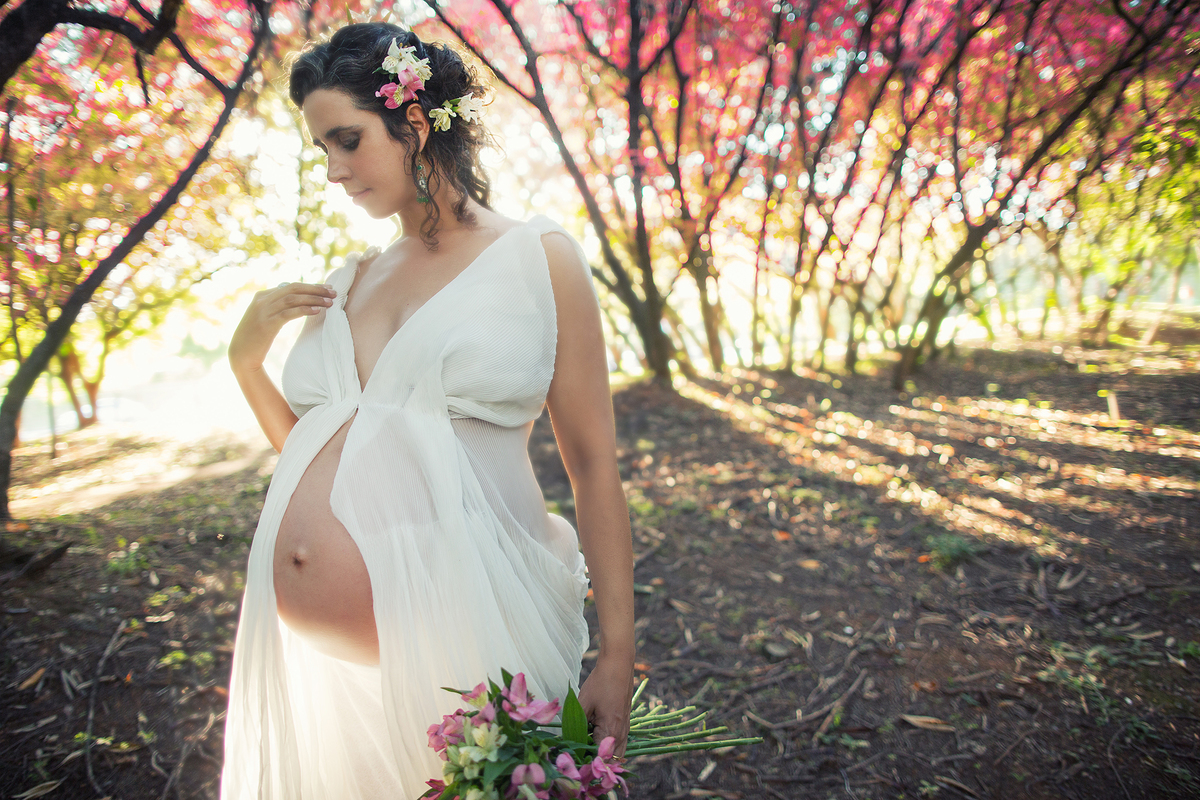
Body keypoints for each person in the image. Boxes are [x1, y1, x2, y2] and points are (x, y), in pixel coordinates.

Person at [222, 22, 635, 799]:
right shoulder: (349, 280)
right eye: (323, 150)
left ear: (413, 123)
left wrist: (617, 654)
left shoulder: (537, 258)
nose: (336, 170)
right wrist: (245, 364)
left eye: (348, 139)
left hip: (476, 628)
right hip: (331, 675)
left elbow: (593, 466)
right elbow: (326, 458)